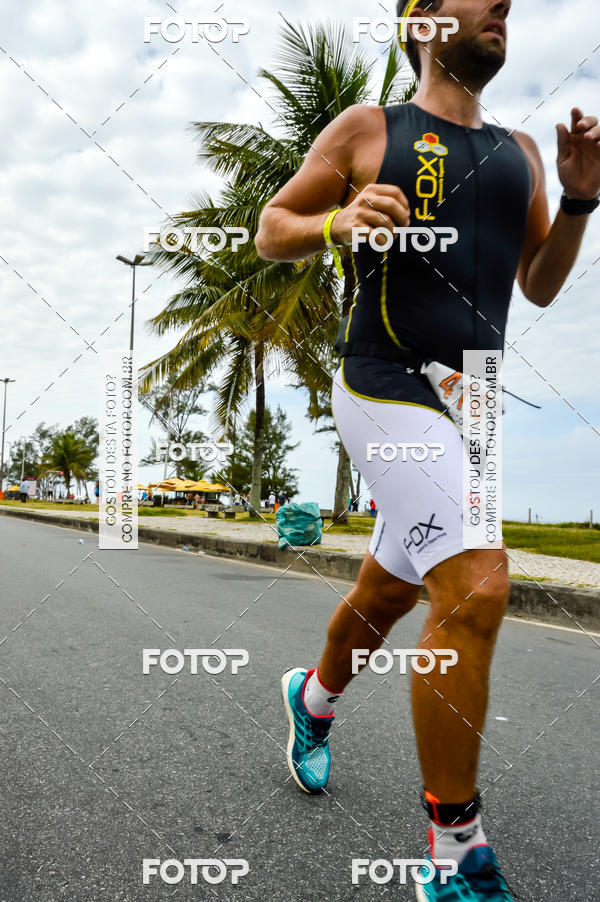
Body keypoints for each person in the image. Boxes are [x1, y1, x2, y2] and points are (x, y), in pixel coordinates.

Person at [256, 2, 600, 899]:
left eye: (511, 7)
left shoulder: (521, 153)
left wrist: (578, 198)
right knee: (480, 581)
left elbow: (539, 282)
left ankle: (313, 699)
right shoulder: (370, 129)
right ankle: (455, 854)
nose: (501, 8)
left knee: (393, 588)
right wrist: (337, 222)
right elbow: (271, 227)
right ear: (422, 22)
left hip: (473, 405)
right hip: (385, 377)